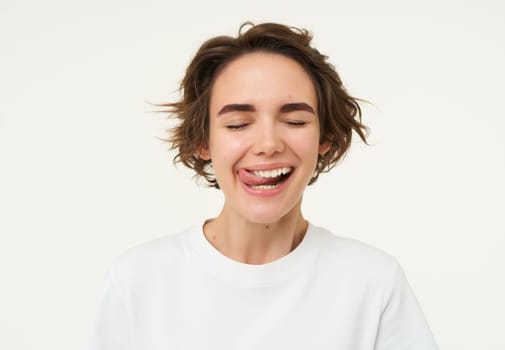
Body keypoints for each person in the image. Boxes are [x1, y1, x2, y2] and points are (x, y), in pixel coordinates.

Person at [86, 22, 438, 349]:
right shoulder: (137, 281)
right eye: (238, 124)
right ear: (202, 141)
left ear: (325, 137)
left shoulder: (373, 282)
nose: (268, 144)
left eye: (295, 120)